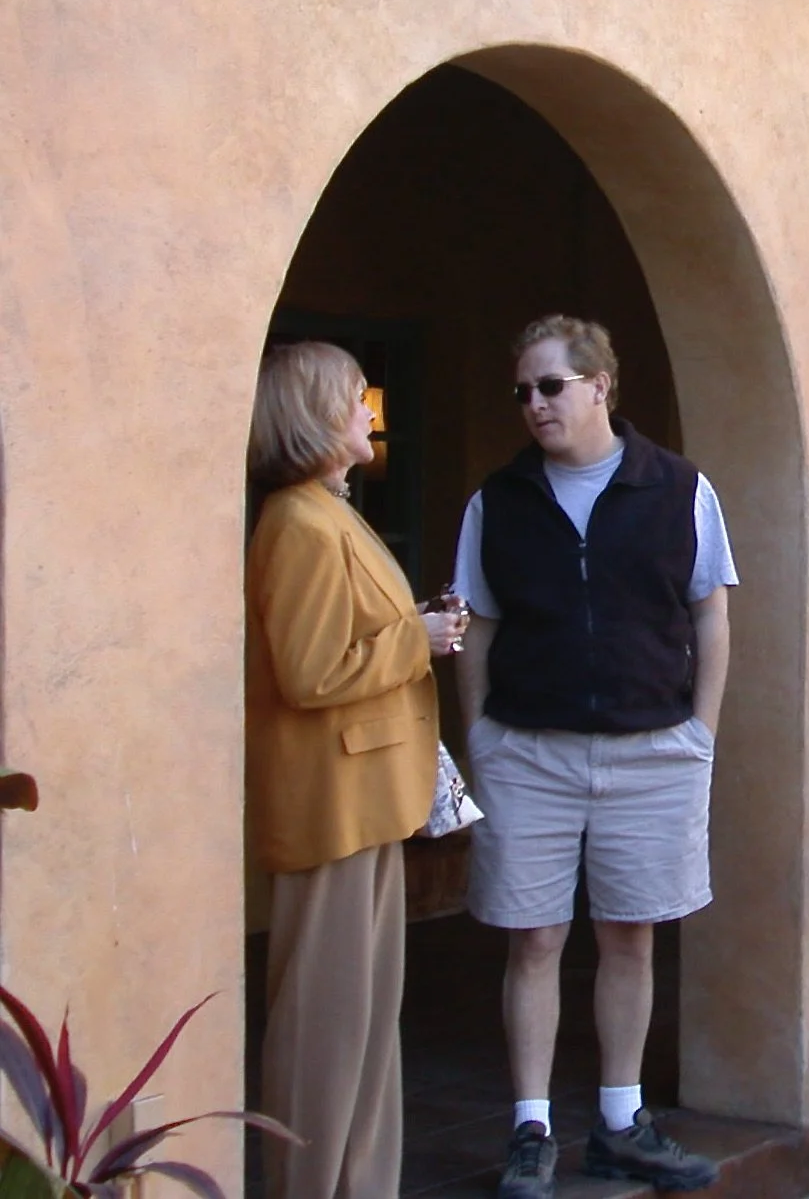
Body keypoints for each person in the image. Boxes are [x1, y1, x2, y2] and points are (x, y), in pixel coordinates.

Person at [454, 315, 735, 1198]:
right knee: (533, 938)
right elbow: (477, 624)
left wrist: (700, 734)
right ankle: (530, 1126)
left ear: (600, 386)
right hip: (528, 752)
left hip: (653, 750)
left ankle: (621, 1119)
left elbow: (710, 613)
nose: (533, 405)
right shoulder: (497, 500)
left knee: (630, 935)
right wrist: (482, 739)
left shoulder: (679, 488)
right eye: (522, 392)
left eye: (550, 387)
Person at [246, 341, 467, 1199]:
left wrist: (411, 627)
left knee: (368, 1024)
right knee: (325, 1028)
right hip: (331, 808)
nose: (368, 412)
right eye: (352, 400)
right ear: (311, 418)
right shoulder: (298, 523)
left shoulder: (329, 513)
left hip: (368, 801)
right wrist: (418, 638)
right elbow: (309, 671)